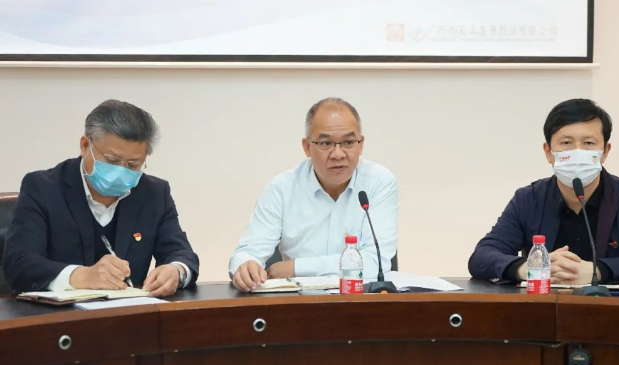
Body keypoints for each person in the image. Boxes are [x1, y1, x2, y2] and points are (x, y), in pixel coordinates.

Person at [3, 99, 199, 297]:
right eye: (112, 160)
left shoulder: (153, 193)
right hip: (58, 314)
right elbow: (18, 263)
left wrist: (176, 271)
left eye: (133, 164)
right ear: (85, 145)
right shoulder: (43, 188)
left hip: (129, 312)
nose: (121, 171)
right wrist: (80, 276)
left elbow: (182, 254)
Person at [468, 98, 619, 285]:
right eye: (566, 143)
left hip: (610, 307)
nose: (577, 152)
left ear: (605, 152)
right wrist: (529, 268)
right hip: (543, 307)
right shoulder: (528, 199)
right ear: (548, 152)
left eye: (588, 143)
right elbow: (481, 257)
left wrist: (596, 271)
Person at [229, 97, 398, 292]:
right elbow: (246, 254)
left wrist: (296, 267)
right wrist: (245, 267)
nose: (338, 154)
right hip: (299, 302)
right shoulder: (282, 189)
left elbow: (376, 264)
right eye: (326, 143)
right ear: (307, 147)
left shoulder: (379, 183)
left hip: (361, 301)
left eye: (348, 142)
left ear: (361, 145)